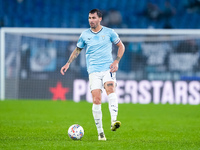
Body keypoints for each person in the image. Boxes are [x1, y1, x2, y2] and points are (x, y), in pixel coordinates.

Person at [60, 9, 125, 141]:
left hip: (108, 69)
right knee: (96, 100)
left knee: (110, 89)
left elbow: (121, 46)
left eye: (93, 18)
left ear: (100, 19)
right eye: (89, 18)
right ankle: (101, 133)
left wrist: (116, 61)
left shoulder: (109, 32)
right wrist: (68, 63)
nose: (91, 20)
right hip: (93, 71)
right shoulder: (84, 35)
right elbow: (77, 50)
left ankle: (114, 121)